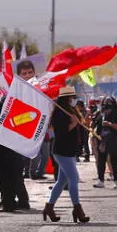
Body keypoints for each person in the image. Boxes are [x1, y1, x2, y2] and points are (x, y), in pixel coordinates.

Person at [43, 86, 90, 223]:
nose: (73, 99)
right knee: (74, 179)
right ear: (66, 98)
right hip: (62, 150)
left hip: (70, 150)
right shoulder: (59, 112)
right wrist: (74, 123)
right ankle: (77, 209)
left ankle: (49, 207)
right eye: (71, 97)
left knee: (62, 181)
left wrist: (78, 121)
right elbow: (61, 132)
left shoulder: (70, 110)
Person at [0, 100, 30, 212]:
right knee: (13, 180)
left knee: (4, 181)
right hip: (13, 154)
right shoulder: (10, 120)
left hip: (1, 156)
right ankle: (13, 202)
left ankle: (9, 204)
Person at [94, 96, 117, 189]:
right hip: (102, 140)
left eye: (109, 102)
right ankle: (100, 180)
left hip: (114, 139)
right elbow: (96, 126)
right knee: (101, 161)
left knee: (114, 160)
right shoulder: (100, 114)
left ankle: (116, 181)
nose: (107, 104)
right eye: (105, 102)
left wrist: (109, 124)